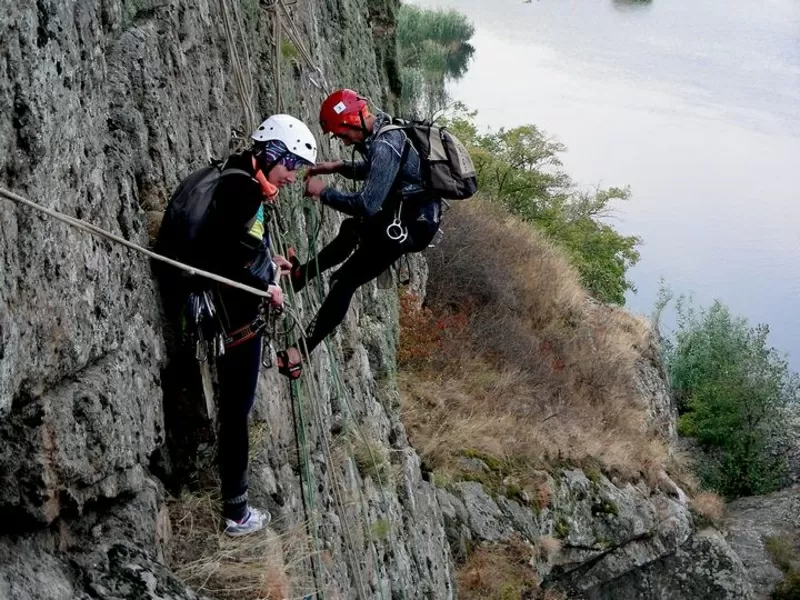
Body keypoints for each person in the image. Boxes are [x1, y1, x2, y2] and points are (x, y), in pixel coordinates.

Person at [156, 114, 317, 536]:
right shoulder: (244, 191)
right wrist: (268, 285)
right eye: (291, 166)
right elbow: (229, 256)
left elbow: (237, 242)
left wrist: (270, 261)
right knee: (236, 412)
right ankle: (236, 510)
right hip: (233, 318)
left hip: (217, 304)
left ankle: (234, 502)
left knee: (234, 410)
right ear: (273, 154)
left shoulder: (238, 174)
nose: (291, 176)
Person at [275, 89, 441, 378]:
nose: (343, 140)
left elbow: (366, 204)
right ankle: (302, 276)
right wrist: (337, 166)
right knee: (350, 230)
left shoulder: (384, 143)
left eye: (341, 134)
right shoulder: (385, 131)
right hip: (406, 216)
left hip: (404, 228)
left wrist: (324, 192)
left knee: (344, 282)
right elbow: (376, 170)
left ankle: (298, 354)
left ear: (352, 120)